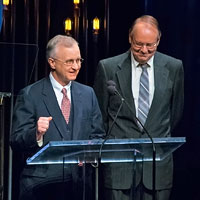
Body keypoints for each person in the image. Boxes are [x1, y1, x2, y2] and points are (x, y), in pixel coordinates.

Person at [93, 15, 184, 200]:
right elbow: (99, 117)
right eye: (138, 44)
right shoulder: (108, 67)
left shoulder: (174, 67)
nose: (144, 50)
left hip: (157, 167)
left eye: (150, 45)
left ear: (159, 40)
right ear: (129, 38)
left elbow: (175, 113)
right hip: (119, 167)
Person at [10, 35, 105, 200]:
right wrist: (36, 134)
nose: (76, 66)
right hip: (41, 187)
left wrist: (88, 154)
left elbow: (97, 136)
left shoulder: (88, 93)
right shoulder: (31, 94)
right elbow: (16, 140)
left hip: (79, 187)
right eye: (69, 61)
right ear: (52, 62)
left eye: (78, 60)